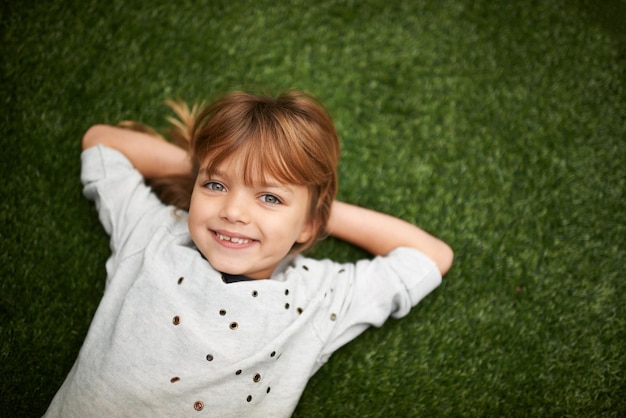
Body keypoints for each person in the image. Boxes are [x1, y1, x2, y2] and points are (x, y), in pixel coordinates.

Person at [44, 91, 453, 417]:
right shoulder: (152, 234)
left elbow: (430, 256)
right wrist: (209, 165)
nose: (234, 212)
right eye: (216, 186)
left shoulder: (318, 298)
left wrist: (317, 208)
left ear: (310, 226)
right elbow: (102, 143)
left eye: (270, 197)